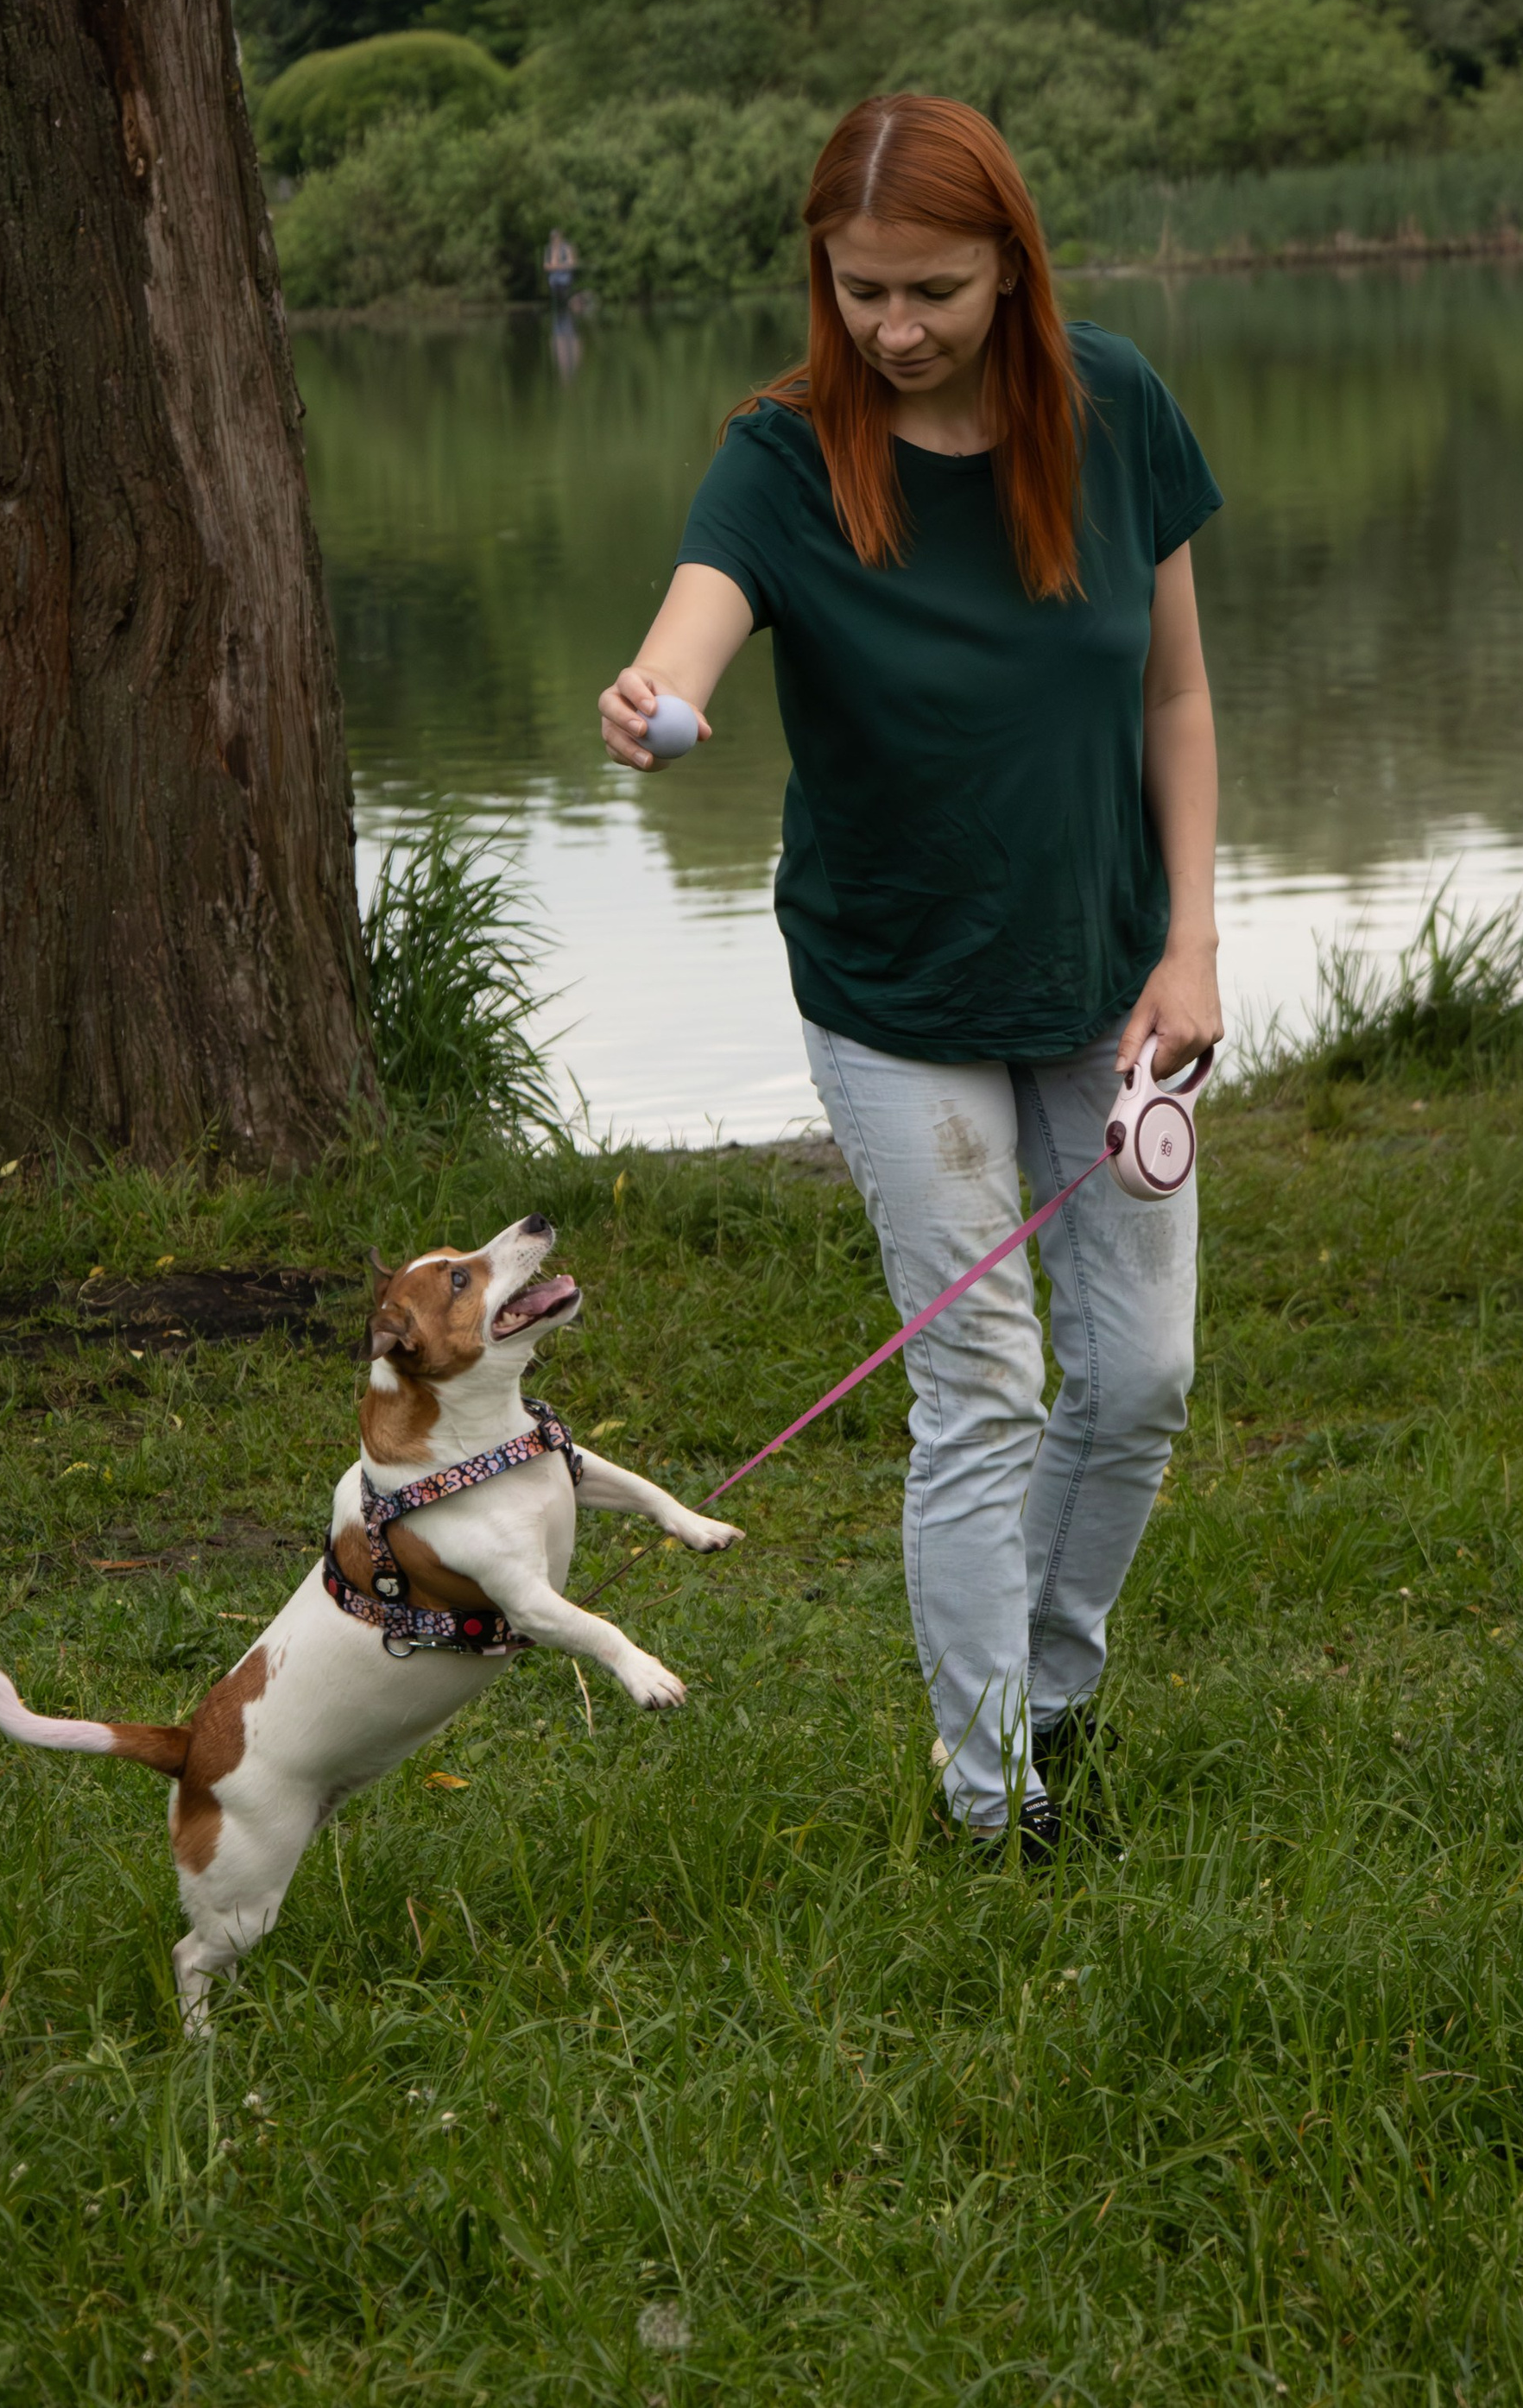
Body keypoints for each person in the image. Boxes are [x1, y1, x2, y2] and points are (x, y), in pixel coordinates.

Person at [597, 94, 1223, 1858]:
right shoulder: (784, 456)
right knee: (984, 1387)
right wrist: (649, 700)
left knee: (1139, 1378)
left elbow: (1170, 695)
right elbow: (689, 622)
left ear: (1008, 266)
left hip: (1107, 979)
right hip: (890, 994)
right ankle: (985, 1798)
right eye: (857, 287)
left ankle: (1051, 1692)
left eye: (929, 288)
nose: (890, 325)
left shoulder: (1114, 413)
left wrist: (1188, 944)